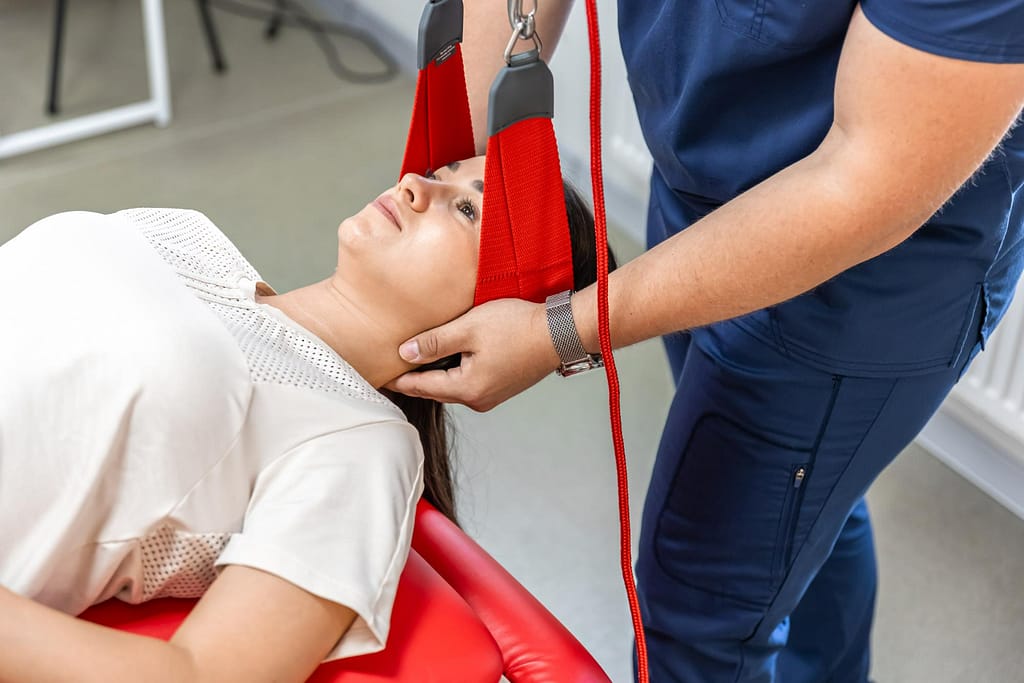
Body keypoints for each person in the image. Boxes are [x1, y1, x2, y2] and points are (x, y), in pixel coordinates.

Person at [390, 2, 1024, 681]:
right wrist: (460, 171)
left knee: (695, 624)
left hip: (864, 280)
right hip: (704, 177)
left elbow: (865, 181)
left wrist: (563, 330)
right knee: (806, 511)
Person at [0, 155, 612, 683]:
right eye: (440, 175)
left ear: (501, 320)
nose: (412, 186)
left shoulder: (357, 441)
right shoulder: (185, 234)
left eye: (467, 211)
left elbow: (207, 672)